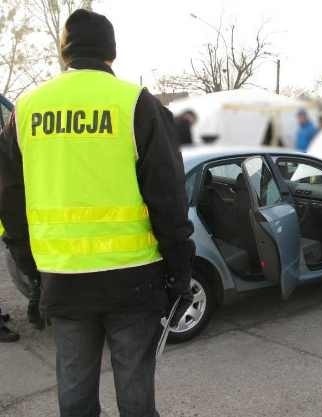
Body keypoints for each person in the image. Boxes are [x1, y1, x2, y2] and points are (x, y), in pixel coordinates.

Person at [0, 9, 195, 417]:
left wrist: (31, 272)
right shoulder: (134, 103)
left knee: (74, 394)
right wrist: (180, 267)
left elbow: (9, 199)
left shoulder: (27, 109)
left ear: (63, 54)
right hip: (134, 280)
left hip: (63, 281)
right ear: (111, 53)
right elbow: (168, 194)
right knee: (136, 395)